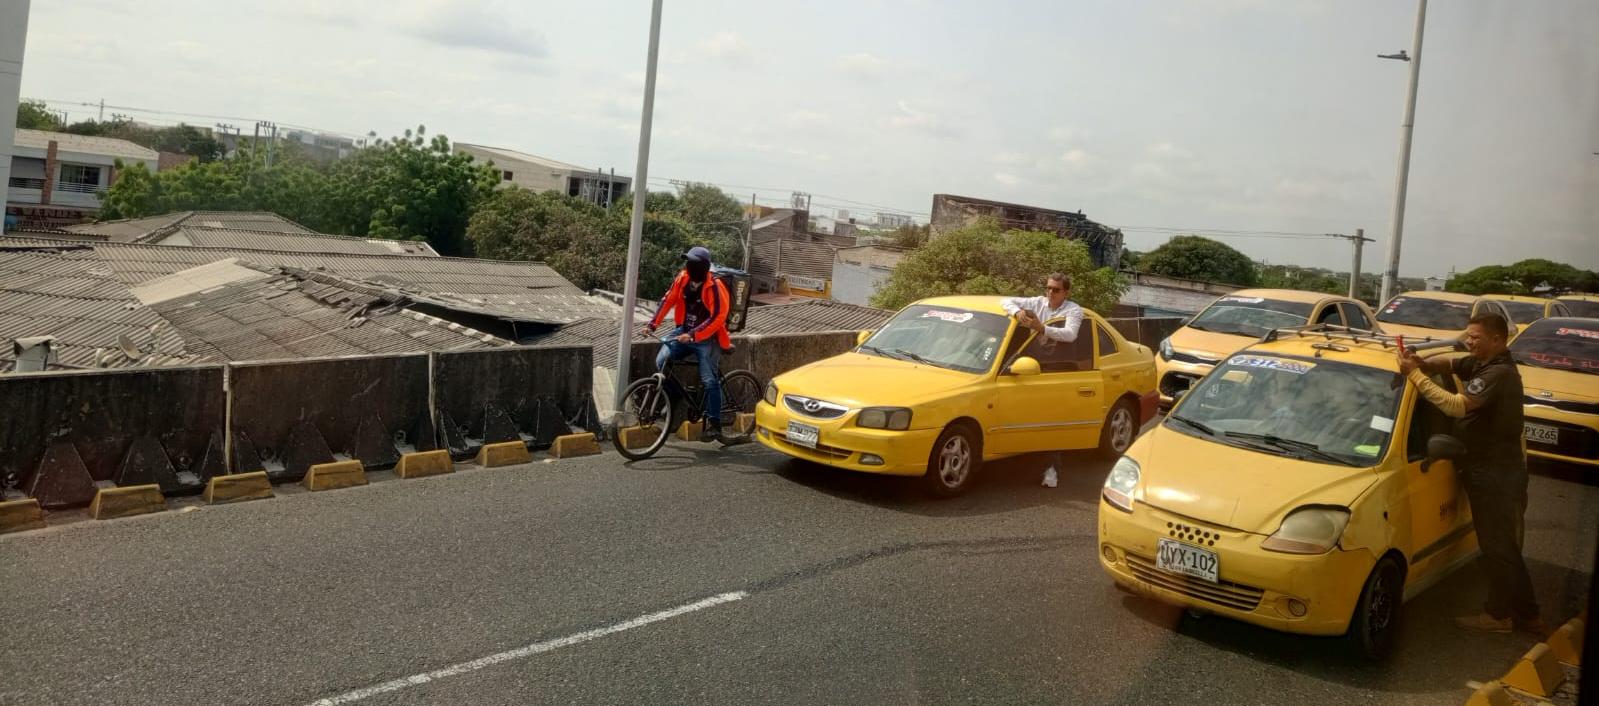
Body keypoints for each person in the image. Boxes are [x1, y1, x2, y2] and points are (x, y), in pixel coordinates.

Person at [1398, 313, 1542, 634]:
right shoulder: (1482, 363)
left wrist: (1415, 376)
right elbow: (1452, 364)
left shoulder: (1499, 373)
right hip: (1490, 470)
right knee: (1502, 546)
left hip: (1496, 475)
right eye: (1468, 335)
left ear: (1497, 339)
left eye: (1475, 337)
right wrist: (1424, 362)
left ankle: (1500, 615)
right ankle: (1528, 613)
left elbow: (1456, 406)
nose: (1469, 341)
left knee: (1498, 548)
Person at [1000, 272, 1084, 488]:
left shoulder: (1073, 310)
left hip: (1059, 368)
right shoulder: (1037, 302)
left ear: (1066, 292)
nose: (1050, 293)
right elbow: (1005, 300)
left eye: (1056, 290)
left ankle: (1052, 469)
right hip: (1034, 365)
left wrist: (1042, 328)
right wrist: (1017, 312)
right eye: (1048, 288)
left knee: (1052, 422)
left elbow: (1070, 334)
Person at [647, 246, 733, 442]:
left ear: (702, 267)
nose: (689, 266)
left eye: (693, 263)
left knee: (709, 380)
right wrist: (652, 325)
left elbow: (718, 317)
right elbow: (668, 300)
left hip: (708, 337)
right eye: (688, 262)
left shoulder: (716, 287)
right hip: (684, 330)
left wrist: (694, 335)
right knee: (661, 362)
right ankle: (674, 397)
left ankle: (715, 423)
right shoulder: (683, 278)